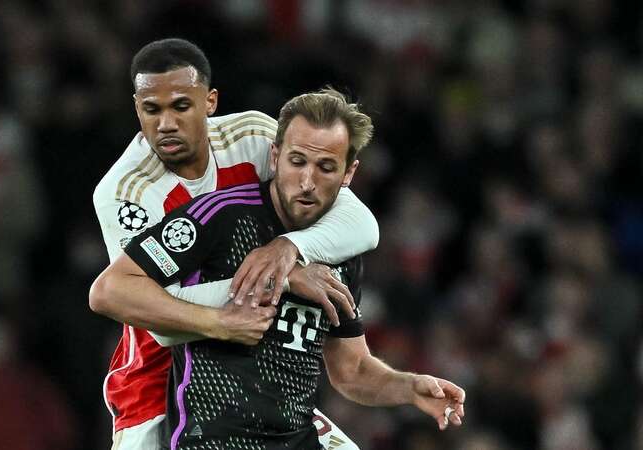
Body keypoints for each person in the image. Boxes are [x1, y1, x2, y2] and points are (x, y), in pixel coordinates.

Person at [91, 88, 466, 449]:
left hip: (297, 438)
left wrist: (409, 388)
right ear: (274, 156)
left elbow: (351, 370)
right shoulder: (220, 215)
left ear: (349, 173)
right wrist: (222, 320)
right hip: (215, 439)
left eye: (325, 167)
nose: (307, 182)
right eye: (297, 161)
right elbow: (111, 290)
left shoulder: (341, 250)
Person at [91, 39, 379, 449]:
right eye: (151, 110)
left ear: (209, 102)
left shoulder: (254, 136)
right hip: (157, 377)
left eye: (181, 106)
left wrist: (287, 251)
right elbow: (155, 318)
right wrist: (277, 283)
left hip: (256, 369)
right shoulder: (124, 192)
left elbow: (361, 224)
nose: (166, 123)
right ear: (136, 107)